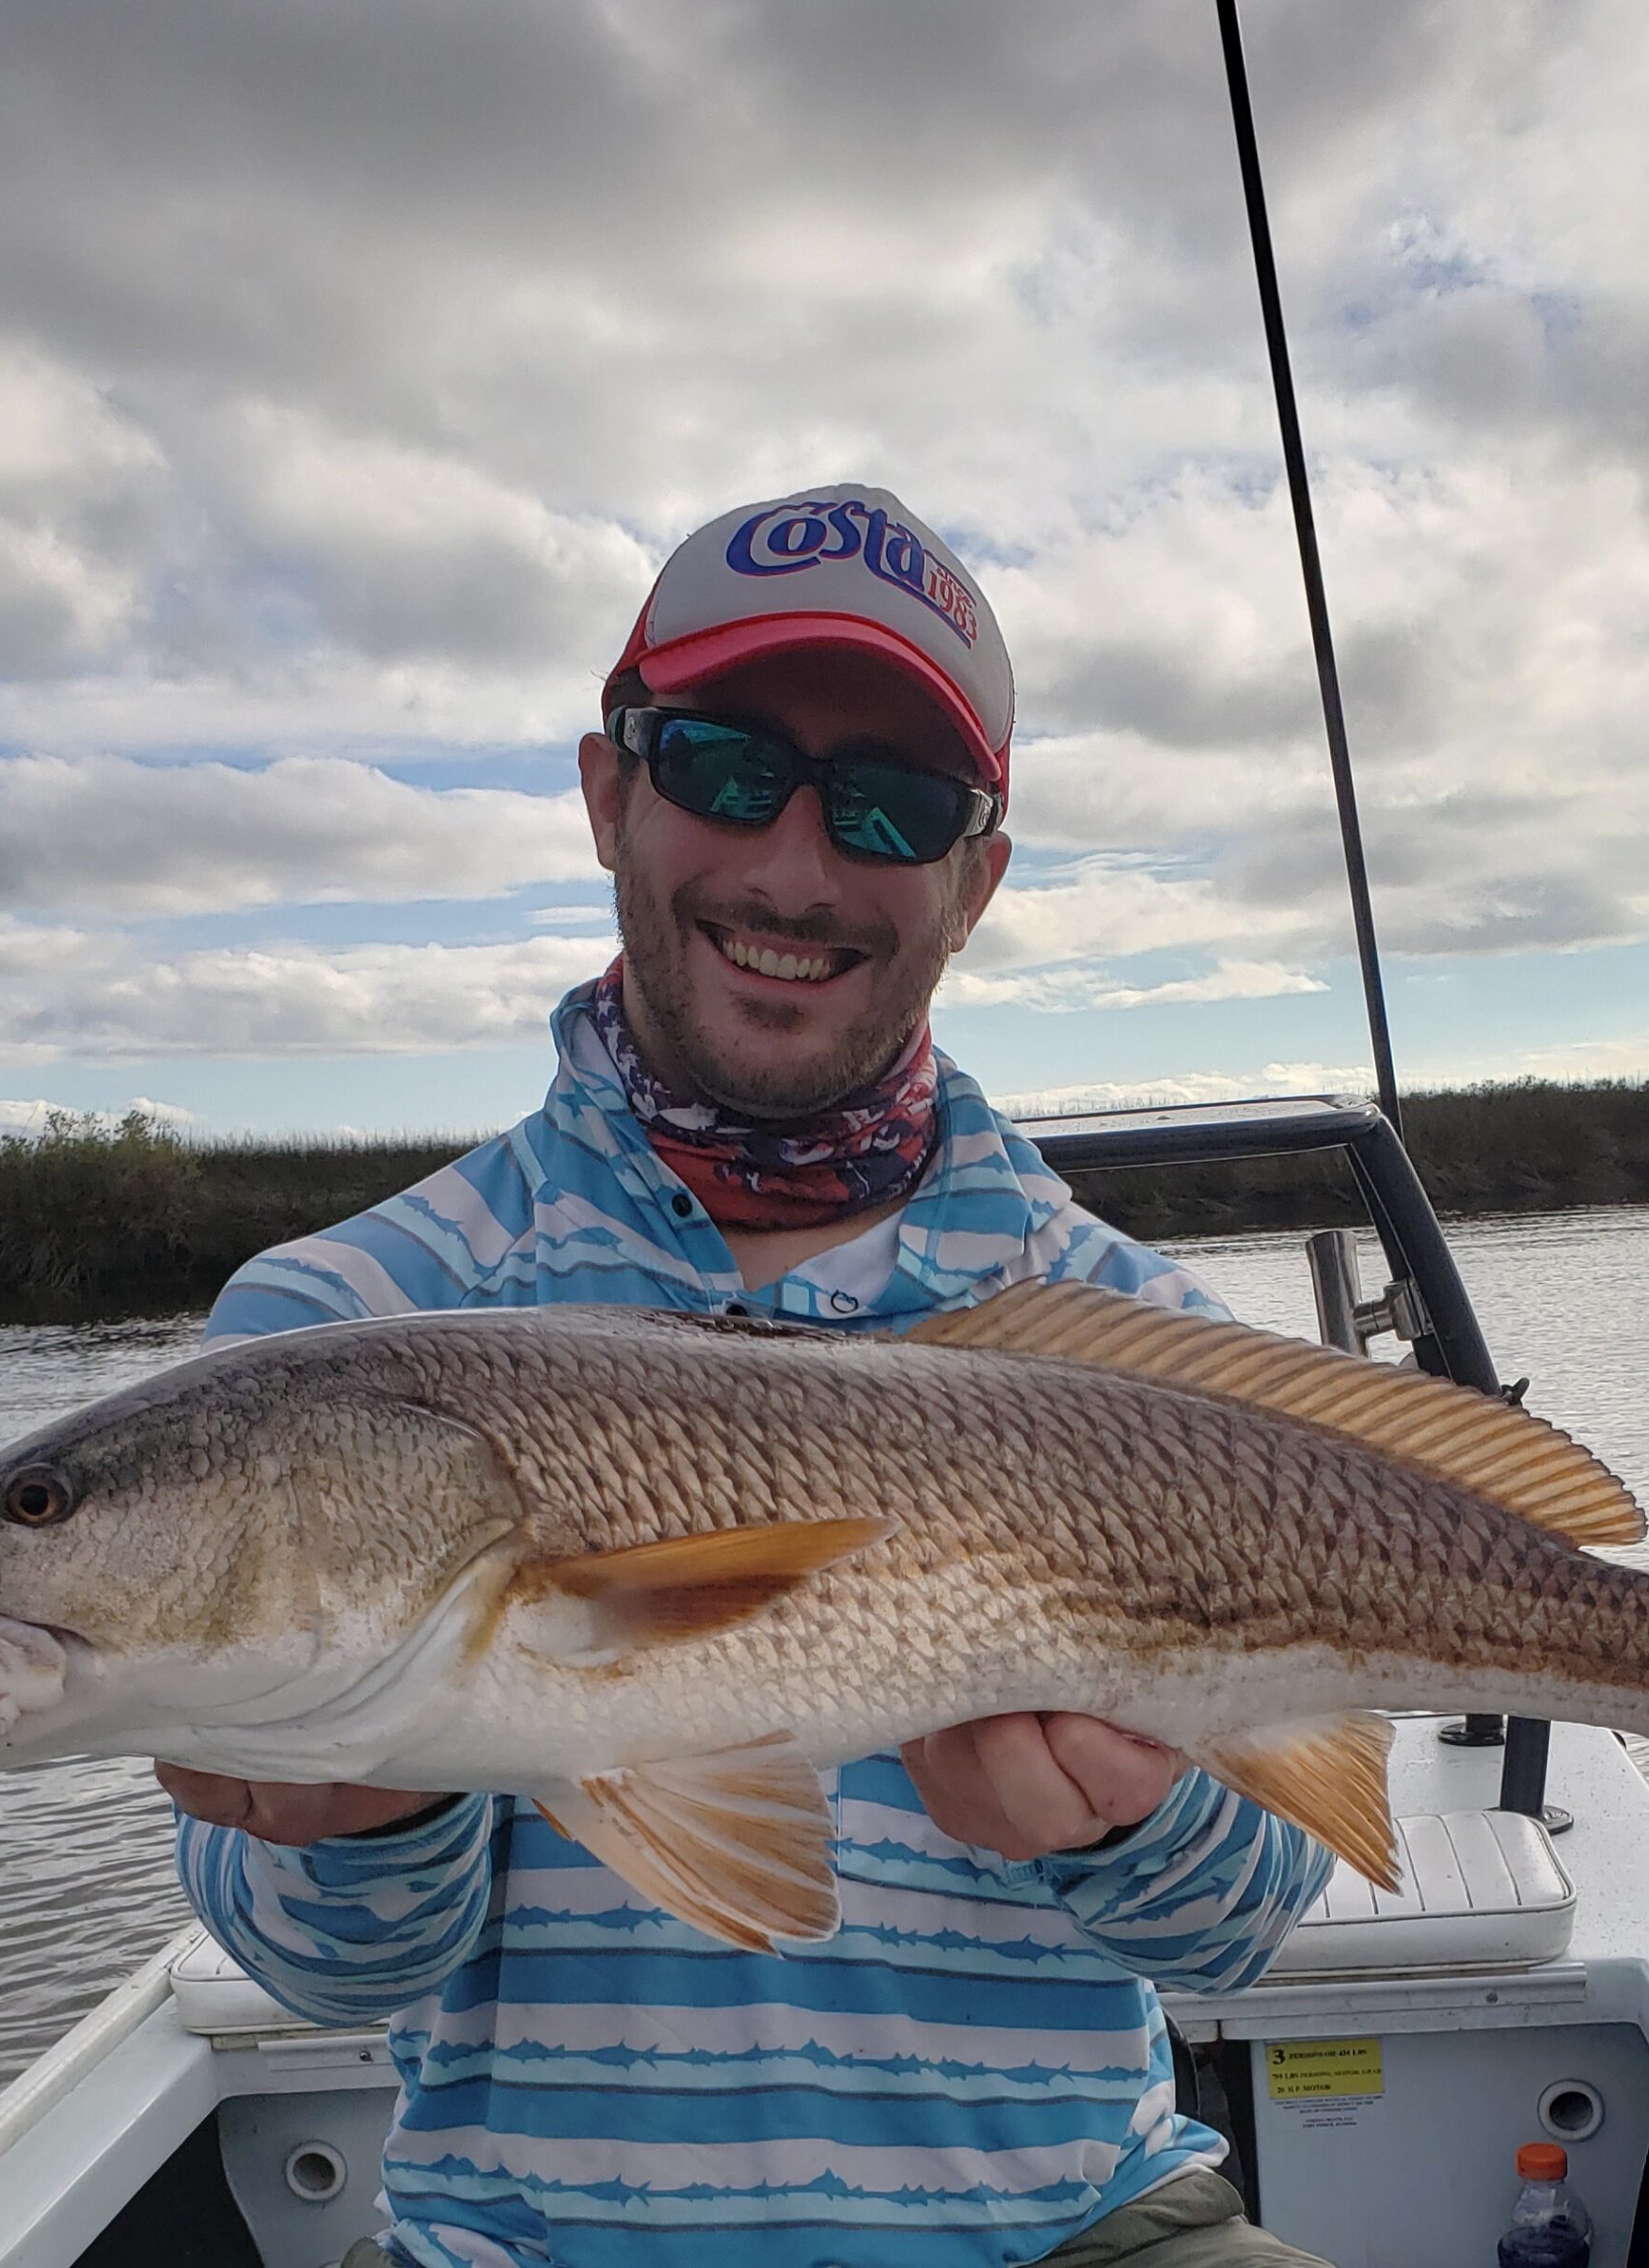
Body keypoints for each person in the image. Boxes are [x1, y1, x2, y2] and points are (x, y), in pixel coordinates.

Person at [163, 486, 1339, 2268]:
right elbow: (326, 1967)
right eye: (722, 765)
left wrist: (1131, 1815)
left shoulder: (1142, 1342)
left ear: (978, 875)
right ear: (608, 792)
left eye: (892, 806)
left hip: (1077, 2235)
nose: (794, 867)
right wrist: (376, 1803)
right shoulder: (335, 1328)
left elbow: (1244, 1929)